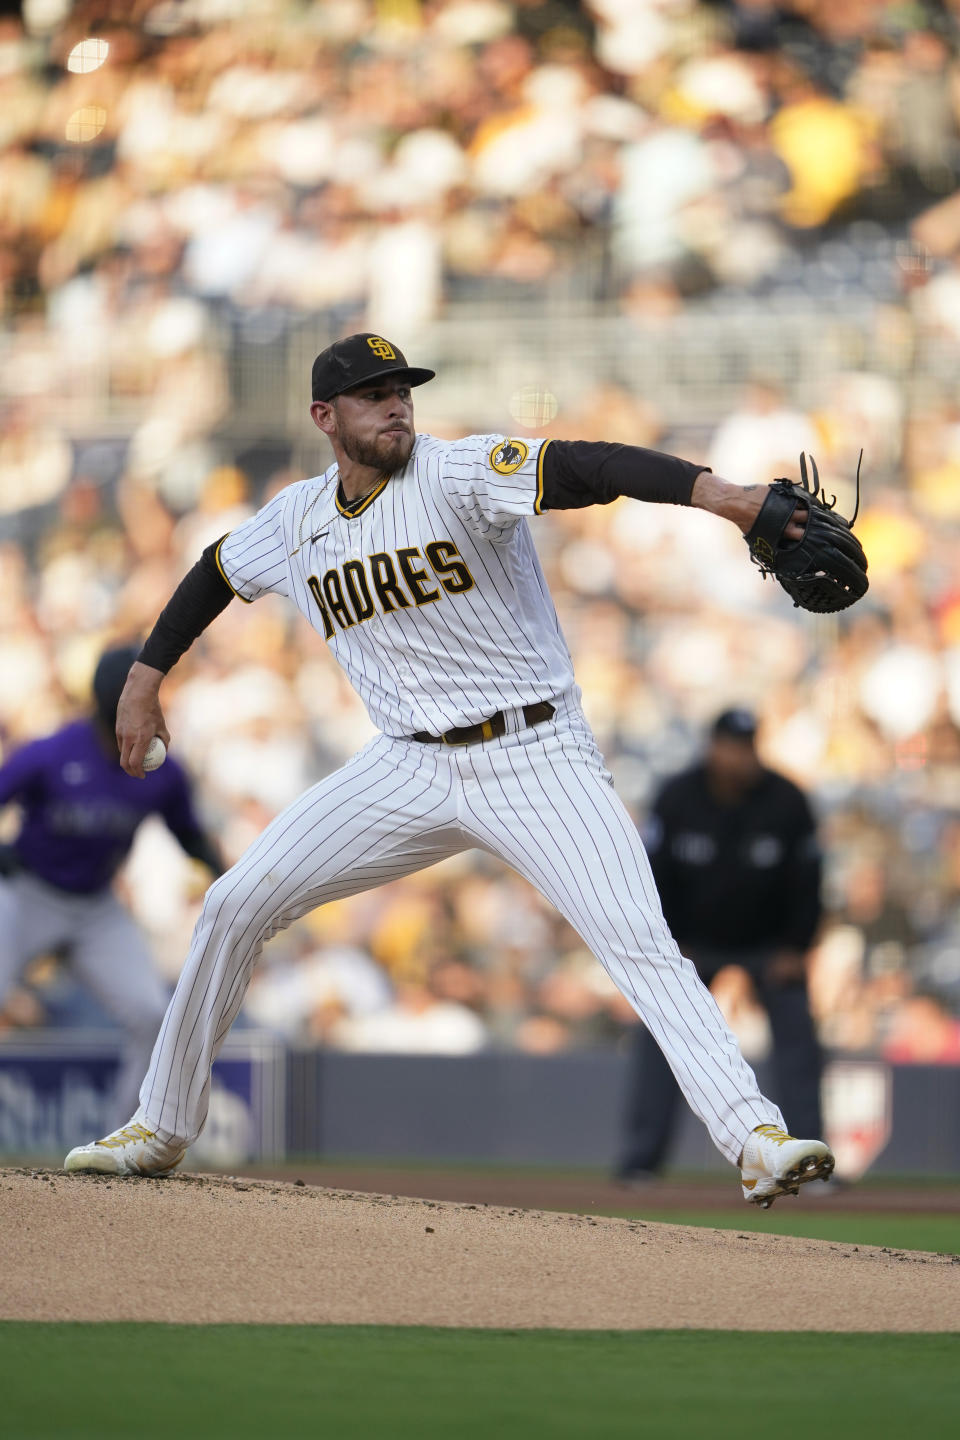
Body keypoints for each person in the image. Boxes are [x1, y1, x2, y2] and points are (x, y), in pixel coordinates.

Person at [64, 332, 835, 1209]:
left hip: (535, 753)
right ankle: (160, 1126)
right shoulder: (297, 520)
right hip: (404, 766)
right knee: (236, 902)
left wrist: (728, 498)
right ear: (325, 417)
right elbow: (213, 573)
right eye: (371, 394)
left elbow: (590, 464)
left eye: (402, 389)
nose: (396, 404)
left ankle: (756, 1138)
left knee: (640, 943)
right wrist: (145, 676)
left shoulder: (459, 471)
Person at [0, 646, 223, 1124]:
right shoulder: (53, 751)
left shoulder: (160, 770)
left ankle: (124, 1133)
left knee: (149, 1014)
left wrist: (226, 873)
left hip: (97, 908)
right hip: (28, 895)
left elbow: (188, 834)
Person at [617, 707, 824, 1183]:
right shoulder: (677, 797)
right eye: (731, 746)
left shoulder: (787, 799)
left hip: (770, 944)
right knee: (662, 1033)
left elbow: (808, 881)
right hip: (691, 943)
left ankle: (807, 1158)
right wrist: (667, 944)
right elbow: (654, 877)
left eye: (747, 747)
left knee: (798, 1038)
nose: (739, 757)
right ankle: (640, 1161)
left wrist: (797, 945)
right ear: (712, 747)